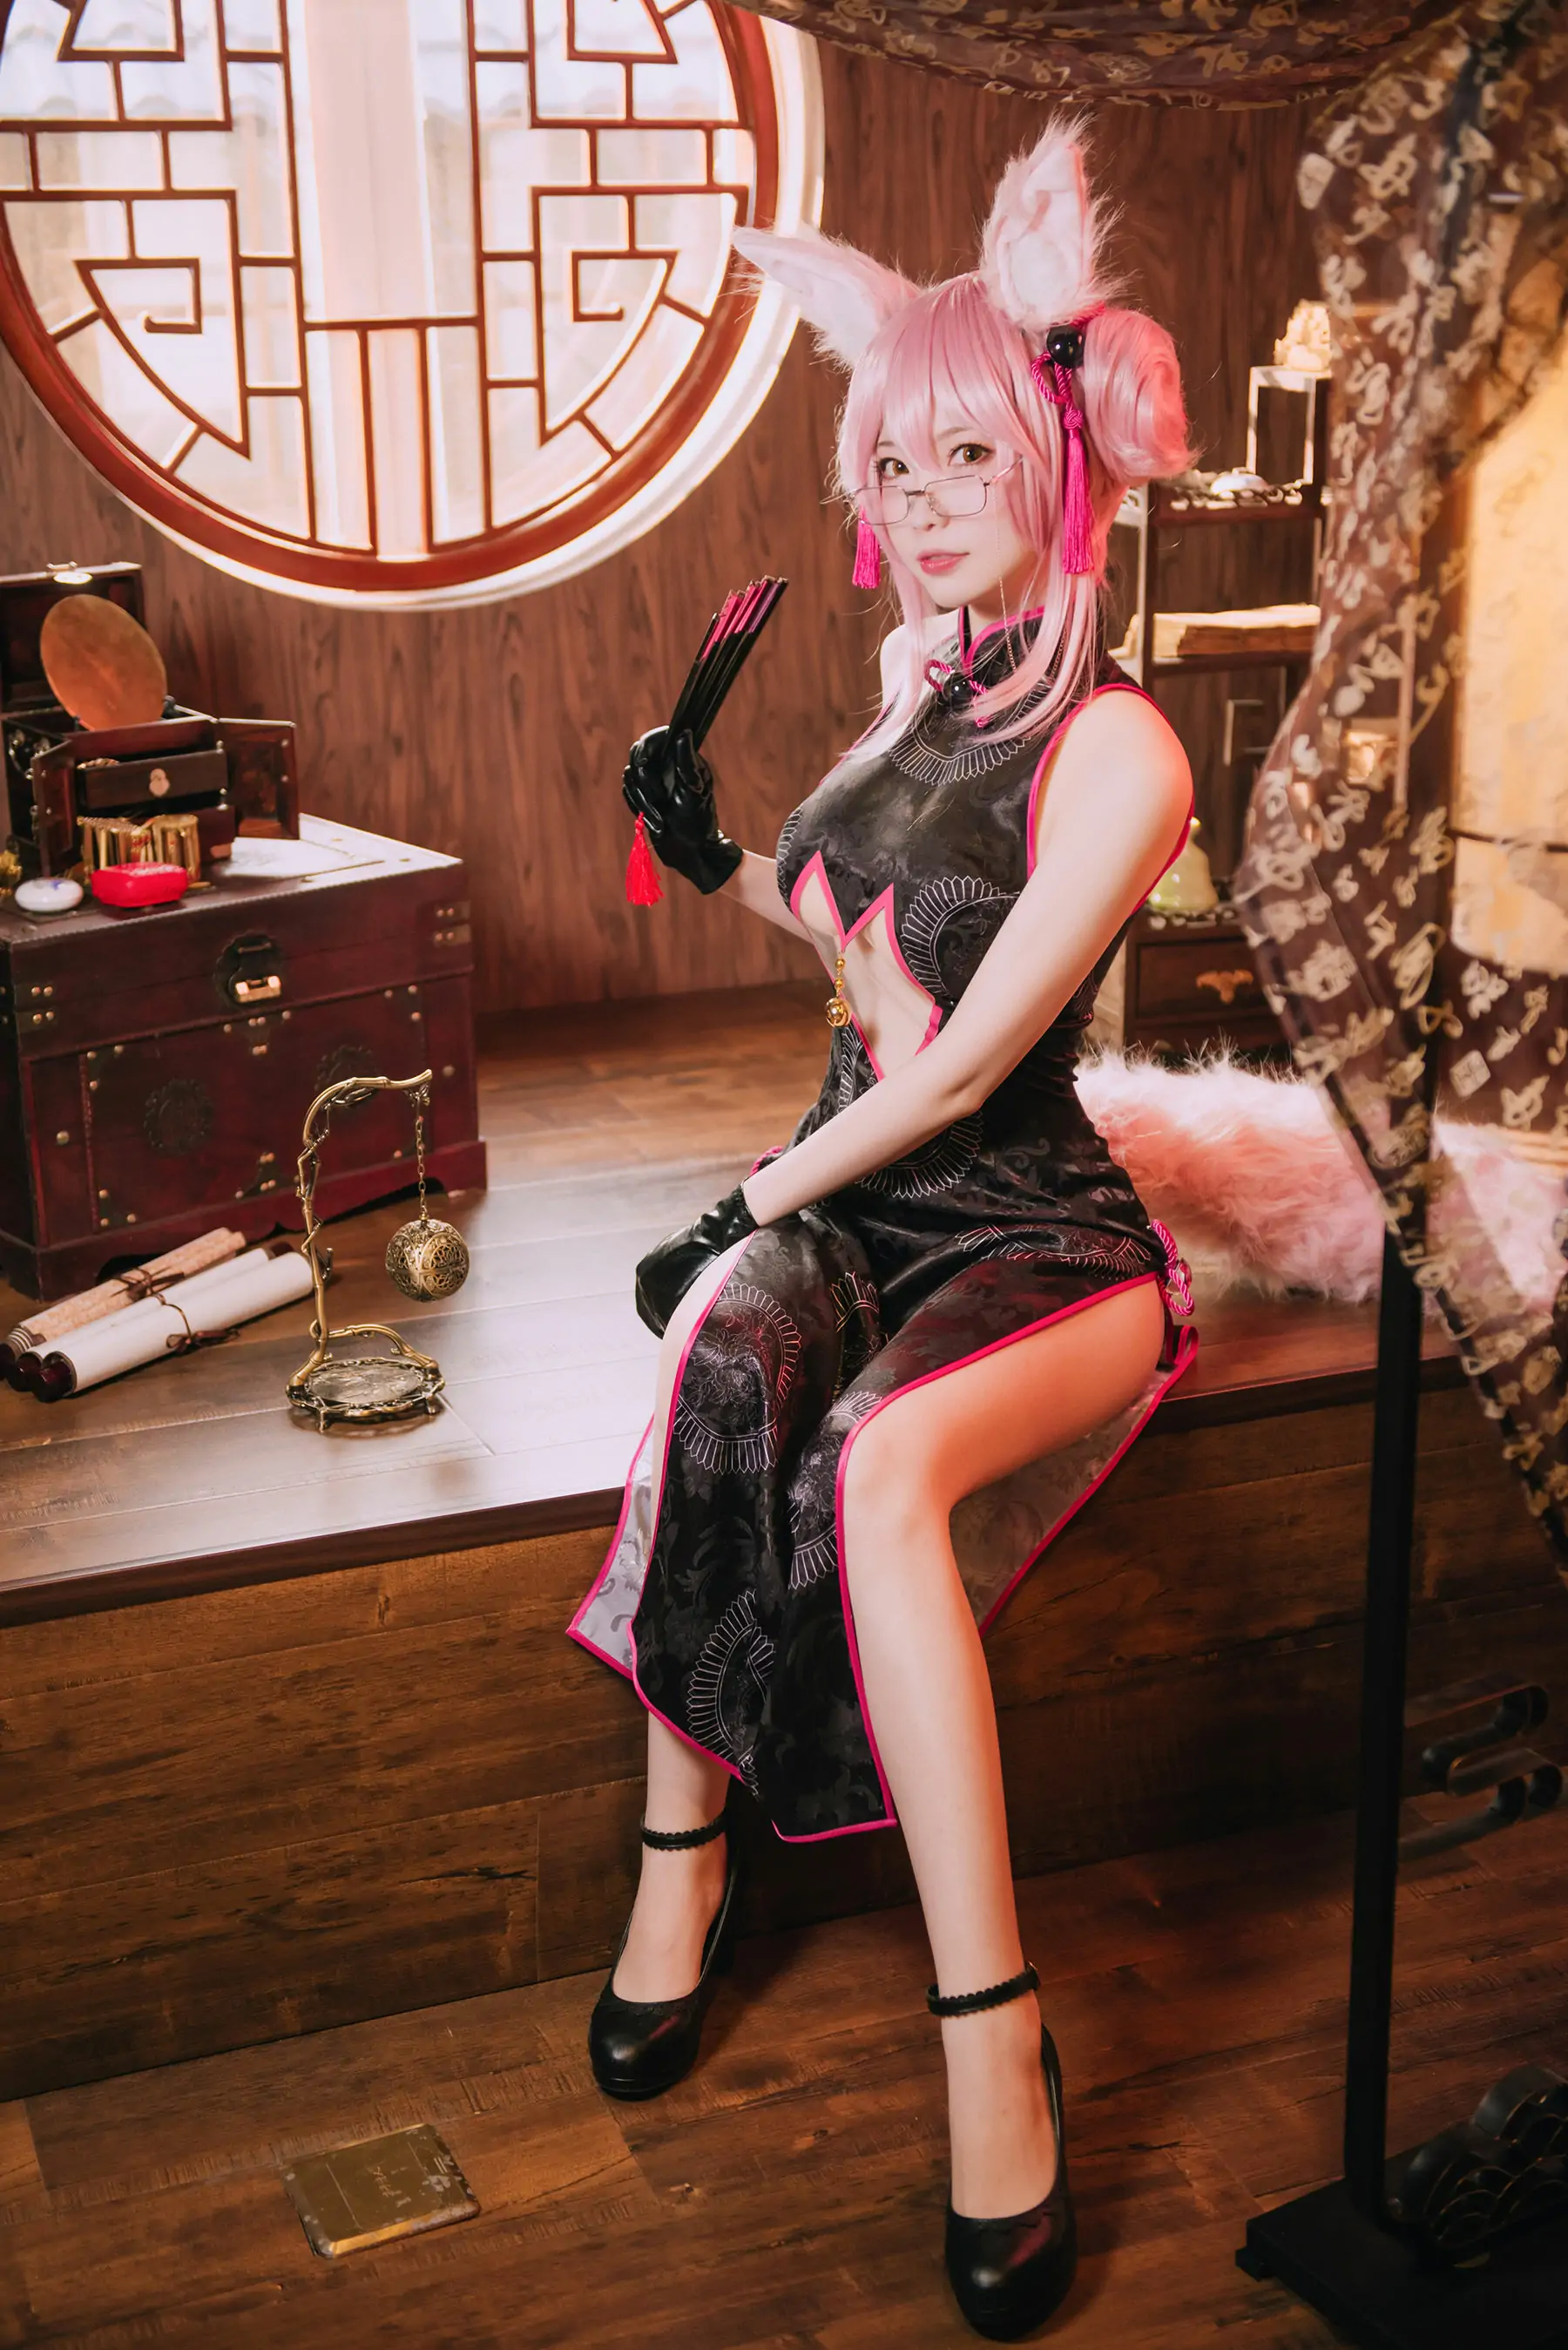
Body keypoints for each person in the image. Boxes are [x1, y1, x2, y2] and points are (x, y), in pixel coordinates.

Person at [570, 118, 1199, 2341]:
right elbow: (870, 968)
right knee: (723, 1358)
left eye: (962, 460)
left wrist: (743, 1194)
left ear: (1056, 459)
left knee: (879, 1458)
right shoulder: (918, 687)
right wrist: (725, 859)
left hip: (1033, 1228)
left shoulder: (1119, 747)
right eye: (890, 471)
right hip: (857, 1191)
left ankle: (992, 2028)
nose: (919, 507)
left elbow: (957, 1068)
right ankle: (679, 1870)